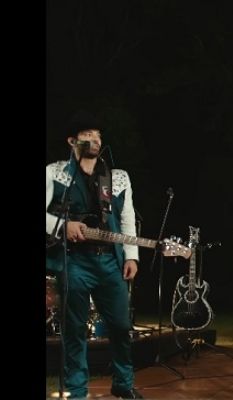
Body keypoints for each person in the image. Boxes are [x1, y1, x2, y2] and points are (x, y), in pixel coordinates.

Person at [45, 111, 143, 399]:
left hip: (110, 260)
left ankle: (123, 383)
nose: (95, 140)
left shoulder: (117, 177)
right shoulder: (55, 173)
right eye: (87, 135)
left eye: (98, 136)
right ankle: (77, 390)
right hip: (74, 260)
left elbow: (127, 219)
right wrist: (63, 226)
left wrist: (131, 256)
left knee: (121, 326)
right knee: (74, 329)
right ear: (72, 141)